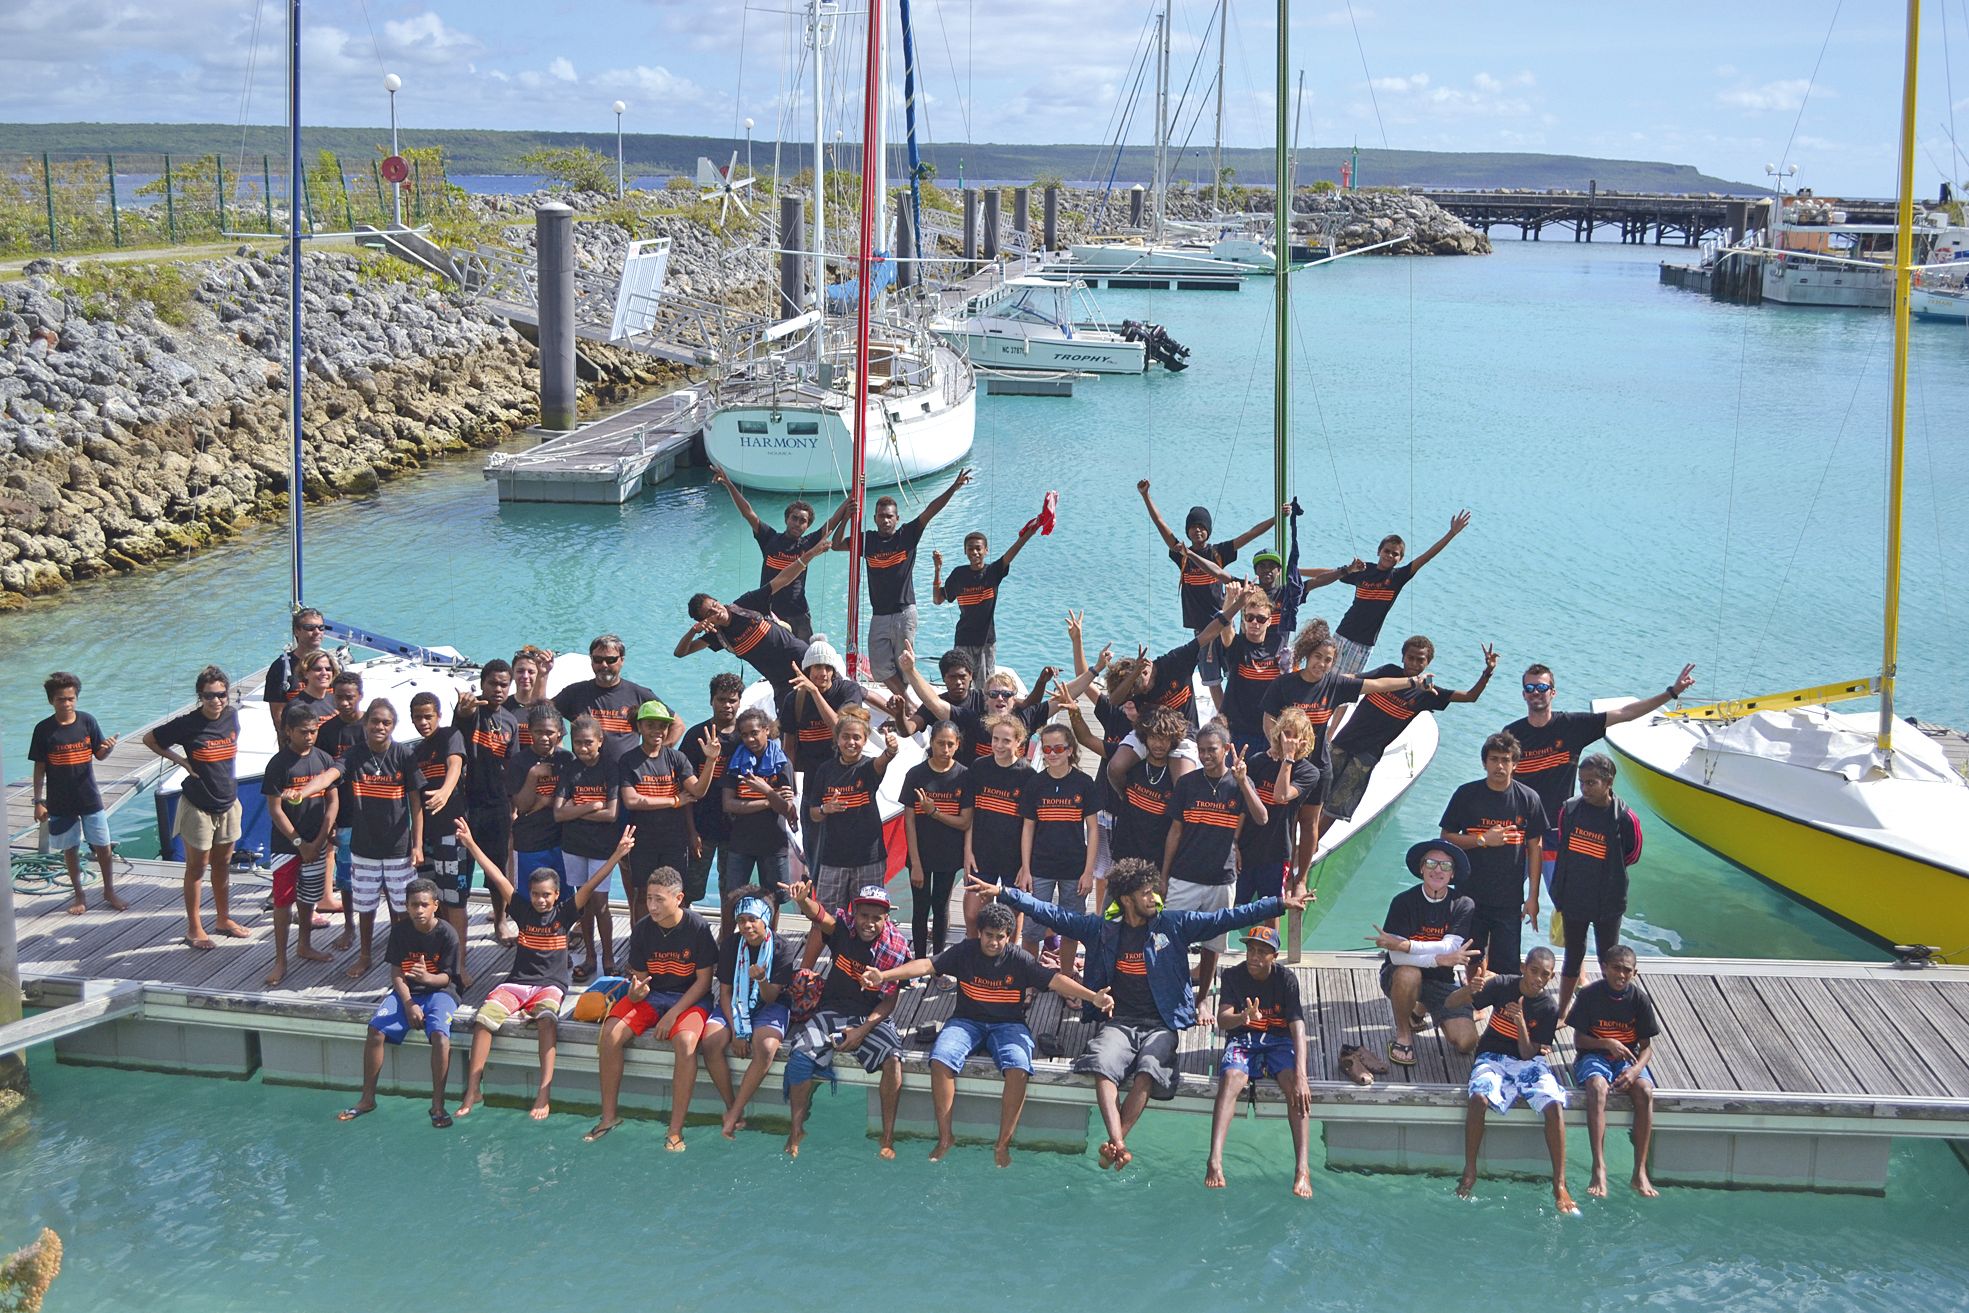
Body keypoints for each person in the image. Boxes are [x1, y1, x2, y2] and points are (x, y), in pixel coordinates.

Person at [975, 857, 1308, 1170]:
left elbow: (1227, 918)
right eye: (1146, 892)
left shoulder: (1174, 925)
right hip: (1119, 1021)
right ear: (1127, 899)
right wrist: (1006, 893)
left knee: (1149, 1069)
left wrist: (1278, 904)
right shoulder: (1102, 930)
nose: (1154, 897)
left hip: (1161, 1024)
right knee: (1103, 1065)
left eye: (1154, 890)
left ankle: (1114, 1142)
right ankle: (1118, 1142)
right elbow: (1053, 915)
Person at [864, 901, 1114, 1165]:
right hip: (966, 1022)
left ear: (1008, 937)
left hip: (1009, 1025)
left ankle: (1002, 1144)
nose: (993, 942)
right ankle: (945, 1137)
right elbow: (926, 965)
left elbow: (1055, 981)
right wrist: (885, 975)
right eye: (988, 936)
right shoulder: (965, 951)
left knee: (1019, 1067)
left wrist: (1091, 997)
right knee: (940, 1060)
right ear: (979, 933)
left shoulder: (1019, 959)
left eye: (1000, 937)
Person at [451, 820, 633, 1121]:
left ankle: (543, 1091)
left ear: (557, 893)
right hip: (518, 983)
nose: (540, 900)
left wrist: (616, 854)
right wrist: (471, 844)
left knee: (547, 1021)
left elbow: (591, 884)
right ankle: (473, 1089)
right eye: (536, 894)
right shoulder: (522, 910)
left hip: (550, 985)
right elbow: (497, 876)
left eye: (546, 895)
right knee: (483, 1020)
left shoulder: (564, 912)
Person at [1505, 660, 1694, 883]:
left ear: (1553, 692)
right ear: (1523, 695)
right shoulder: (1512, 734)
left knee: (1564, 903)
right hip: (1520, 830)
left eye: (1542, 687)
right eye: (1530, 688)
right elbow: (1502, 782)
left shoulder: (1571, 726)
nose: (1536, 692)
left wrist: (1671, 692)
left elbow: (1626, 713)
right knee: (1506, 897)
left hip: (1557, 831)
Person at [1263, 621, 1423, 877]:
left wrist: (1412, 682)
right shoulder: (1285, 684)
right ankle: (1280, 867)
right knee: (1285, 818)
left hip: (1318, 765)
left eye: (1328, 660)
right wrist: (1276, 745)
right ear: (1307, 655)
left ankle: (1300, 877)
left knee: (1310, 821)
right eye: (1317, 657)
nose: (1322, 664)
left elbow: (1377, 685)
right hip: (1289, 762)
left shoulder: (1334, 684)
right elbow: (1269, 718)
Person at [582, 864, 720, 1148]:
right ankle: (609, 1117)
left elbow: (704, 983)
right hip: (653, 996)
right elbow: (640, 979)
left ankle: (674, 1129)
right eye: (649, 899)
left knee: (685, 1042)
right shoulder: (643, 929)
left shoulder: (697, 927)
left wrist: (673, 1014)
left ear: (678, 899)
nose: (653, 906)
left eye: (660, 899)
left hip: (690, 998)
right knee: (610, 1034)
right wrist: (634, 994)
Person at [780, 881, 913, 1159]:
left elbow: (888, 1002)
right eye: (864, 915)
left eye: (877, 918)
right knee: (800, 1056)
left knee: (893, 1060)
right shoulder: (843, 930)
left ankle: (887, 1137)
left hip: (871, 1017)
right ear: (855, 913)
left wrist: (862, 1032)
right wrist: (803, 901)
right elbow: (820, 916)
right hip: (833, 1009)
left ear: (886, 919)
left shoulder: (895, 947)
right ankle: (796, 1130)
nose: (869, 923)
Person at [1446, 946, 1577, 1214]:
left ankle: (1559, 1183)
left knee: (1554, 1104)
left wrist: (1520, 1022)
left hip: (1527, 1060)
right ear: (1523, 968)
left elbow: (1528, 1053)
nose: (1537, 978)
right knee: (1479, 1097)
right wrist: (1469, 989)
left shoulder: (1548, 1008)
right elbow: (1450, 1004)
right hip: (1492, 1056)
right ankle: (1470, 1170)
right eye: (1533, 970)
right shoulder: (1503, 984)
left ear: (1551, 979)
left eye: (1545, 975)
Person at [833, 465, 973, 701]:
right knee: (878, 667)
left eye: (890, 516)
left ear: (897, 518)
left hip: (904, 612)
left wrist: (954, 487)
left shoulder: (906, 535)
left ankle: (906, 707)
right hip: (879, 615)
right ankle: (908, 704)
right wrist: (846, 517)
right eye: (881, 516)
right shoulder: (866, 540)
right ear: (875, 518)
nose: (885, 520)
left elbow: (931, 510)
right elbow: (836, 544)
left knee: (904, 666)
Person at [1325, 638, 1494, 832]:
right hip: (1343, 742)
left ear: (1427, 663)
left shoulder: (1428, 693)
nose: (1414, 663)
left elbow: (1470, 697)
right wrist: (1327, 677)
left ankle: (1310, 845)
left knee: (1336, 807)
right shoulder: (1387, 673)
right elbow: (1354, 679)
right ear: (1403, 657)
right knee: (1316, 794)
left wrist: (1487, 672)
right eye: (1410, 658)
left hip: (1366, 756)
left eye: (1420, 660)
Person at [1135, 478, 1278, 706]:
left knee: (1235, 670)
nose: (1197, 530)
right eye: (1193, 527)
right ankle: (1224, 715)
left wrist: (1277, 518)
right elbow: (1161, 524)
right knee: (1211, 679)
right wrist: (1145, 496)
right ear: (1188, 532)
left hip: (1224, 624)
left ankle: (1237, 708)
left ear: (1208, 531)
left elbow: (1250, 534)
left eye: (1202, 527)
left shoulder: (1219, 552)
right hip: (1202, 630)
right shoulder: (1181, 554)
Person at [335, 877, 459, 1128]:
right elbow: (396, 973)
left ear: (435, 905)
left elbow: (449, 977)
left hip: (441, 992)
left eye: (424, 904)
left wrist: (427, 978)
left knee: (440, 1037)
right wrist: (408, 1002)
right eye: (414, 905)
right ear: (406, 906)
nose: (419, 910)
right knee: (375, 1029)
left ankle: (437, 1104)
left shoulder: (447, 933)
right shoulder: (401, 931)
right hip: (408, 992)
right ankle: (367, 1099)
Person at [1205, 925, 1314, 1198]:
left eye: (1262, 952)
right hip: (1244, 1040)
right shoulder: (1233, 975)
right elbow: (1221, 1020)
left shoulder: (1286, 980)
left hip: (1279, 1041)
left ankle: (1302, 1168)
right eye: (1250, 950)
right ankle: (1215, 1159)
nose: (1254, 957)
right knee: (1231, 1078)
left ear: (1274, 956)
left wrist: (1301, 1076)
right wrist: (1244, 1018)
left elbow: (1298, 1027)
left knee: (1295, 1090)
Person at [143, 665, 246, 951]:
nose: (216, 701)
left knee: (223, 865)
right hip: (198, 806)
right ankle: (194, 928)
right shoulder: (188, 723)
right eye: (209, 696)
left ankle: (224, 919)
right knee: (197, 868)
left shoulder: (232, 716)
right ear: (200, 697)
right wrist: (183, 763)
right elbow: (150, 739)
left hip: (228, 802)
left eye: (221, 695)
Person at [1160, 725, 1268, 995]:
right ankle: (1173, 991)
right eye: (1201, 750)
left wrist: (1243, 782)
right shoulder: (1187, 783)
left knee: (1213, 945)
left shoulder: (1239, 783)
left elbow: (1262, 817)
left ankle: (1203, 998)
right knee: (1169, 939)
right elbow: (1175, 831)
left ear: (1226, 749)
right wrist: (1164, 876)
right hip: (1184, 876)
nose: (1206, 755)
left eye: (1212, 749)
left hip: (1221, 879)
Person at [1298, 511, 1471, 674]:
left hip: (1364, 643)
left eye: (1395, 554)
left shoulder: (1398, 577)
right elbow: (1331, 573)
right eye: (1386, 551)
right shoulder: (1364, 570)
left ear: (1400, 559)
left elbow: (1425, 558)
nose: (1389, 556)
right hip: (1343, 633)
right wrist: (1297, 571)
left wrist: (1451, 534)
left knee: (1346, 687)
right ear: (1379, 551)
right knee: (1323, 674)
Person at [1438, 731, 1548, 974]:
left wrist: (1533, 898)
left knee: (1506, 963)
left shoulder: (1529, 799)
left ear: (1515, 764)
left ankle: (1501, 1009)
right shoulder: (1466, 794)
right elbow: (1446, 838)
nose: (1500, 765)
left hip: (1508, 898)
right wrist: (1482, 840)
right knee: (1472, 956)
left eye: (1506, 760)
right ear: (1484, 762)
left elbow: (1535, 848)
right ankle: (1475, 1003)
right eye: (1494, 759)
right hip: (1469, 892)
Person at [1369, 840, 1482, 1068]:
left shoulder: (1463, 904)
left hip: (1442, 981)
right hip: (1400, 976)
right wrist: (1437, 959)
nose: (1437, 870)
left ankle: (1419, 1010)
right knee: (1409, 973)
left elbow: (1452, 947)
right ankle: (1403, 1034)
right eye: (1431, 863)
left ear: (1453, 875)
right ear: (1421, 868)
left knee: (1466, 1043)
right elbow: (1397, 959)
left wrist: (1406, 946)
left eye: (1446, 866)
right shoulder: (1402, 902)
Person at [709, 464, 851, 641]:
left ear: (808, 526)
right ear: (786, 519)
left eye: (803, 521)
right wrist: (729, 484)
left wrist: (852, 497)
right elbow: (748, 512)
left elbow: (833, 521)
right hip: (770, 613)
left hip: (799, 614)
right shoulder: (769, 538)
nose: (797, 523)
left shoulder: (808, 544)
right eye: (794, 518)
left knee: (806, 659)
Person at [700, 888, 800, 1138]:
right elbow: (724, 991)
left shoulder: (781, 948)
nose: (746, 926)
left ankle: (734, 1112)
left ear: (765, 918)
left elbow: (771, 997)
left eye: (752, 919)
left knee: (765, 1047)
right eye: (741, 921)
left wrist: (763, 979)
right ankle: (730, 1105)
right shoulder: (732, 945)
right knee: (711, 1042)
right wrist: (737, 1030)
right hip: (735, 1002)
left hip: (770, 1004)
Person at [1551, 753, 1645, 1018]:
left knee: (1609, 958)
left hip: (1608, 903)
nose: (1585, 788)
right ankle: (1562, 1013)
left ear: (1609, 782)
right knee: (1573, 955)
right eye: (1582, 782)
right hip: (1574, 898)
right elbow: (1564, 849)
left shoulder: (1625, 818)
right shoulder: (1569, 809)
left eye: (1591, 783)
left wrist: (1605, 873)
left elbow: (1632, 855)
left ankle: (1605, 1014)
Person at [1567, 944, 1661, 1198]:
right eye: (1616, 968)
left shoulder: (1639, 999)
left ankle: (1639, 1171)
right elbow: (1579, 1041)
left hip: (1626, 1059)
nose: (1621, 975)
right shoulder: (1589, 995)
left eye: (1627, 971)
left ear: (1635, 973)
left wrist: (1635, 1070)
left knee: (1644, 1090)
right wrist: (1606, 1043)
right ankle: (1599, 1167)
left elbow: (1646, 1047)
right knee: (1597, 1087)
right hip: (1593, 1054)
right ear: (1604, 968)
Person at [340, 698, 425, 979]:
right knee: (365, 906)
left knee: (401, 907)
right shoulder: (355, 755)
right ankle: (365, 955)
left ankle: (400, 957)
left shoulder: (404, 755)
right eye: (375, 721)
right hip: (364, 847)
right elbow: (332, 773)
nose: (380, 726)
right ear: (366, 724)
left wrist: (417, 844)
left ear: (393, 726)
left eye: (386, 722)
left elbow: (416, 804)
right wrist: (303, 792)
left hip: (398, 848)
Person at [28, 671, 123, 915]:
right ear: (52, 701)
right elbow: (39, 768)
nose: (67, 703)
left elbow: (99, 754)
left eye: (71, 698)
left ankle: (109, 890)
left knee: (103, 845)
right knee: (70, 848)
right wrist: (39, 801)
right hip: (60, 801)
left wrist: (108, 748)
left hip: (89, 797)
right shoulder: (43, 730)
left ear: (76, 698)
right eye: (61, 699)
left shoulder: (87, 722)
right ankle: (79, 893)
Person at [260, 700, 340, 986]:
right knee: (283, 902)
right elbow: (275, 809)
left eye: (313, 731)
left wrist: (319, 839)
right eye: (304, 731)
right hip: (286, 847)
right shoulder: (278, 764)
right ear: (289, 731)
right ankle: (280, 959)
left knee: (308, 898)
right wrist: (298, 842)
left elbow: (333, 800)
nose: (310, 736)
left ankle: (304, 945)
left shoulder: (324, 759)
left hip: (317, 844)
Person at [620, 700, 724, 909]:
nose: (657, 731)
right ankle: (641, 940)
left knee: (675, 892)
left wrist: (711, 761)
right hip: (642, 841)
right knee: (643, 895)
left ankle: (674, 939)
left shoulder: (677, 758)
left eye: (662, 725)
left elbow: (697, 791)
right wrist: (674, 801)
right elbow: (632, 801)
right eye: (651, 725)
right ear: (639, 727)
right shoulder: (628, 760)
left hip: (674, 841)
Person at [1019, 723, 1099, 973]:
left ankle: (1065, 978)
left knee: (1070, 929)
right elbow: (1028, 827)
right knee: (1032, 930)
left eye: (1058, 748)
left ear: (1070, 750)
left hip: (1074, 869)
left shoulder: (1084, 783)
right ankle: (1031, 980)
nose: (1052, 753)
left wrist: (1089, 872)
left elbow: (1094, 830)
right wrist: (1025, 868)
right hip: (1040, 867)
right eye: (1047, 748)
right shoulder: (1035, 783)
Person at [452, 659, 520, 945]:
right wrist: (462, 710)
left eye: (504, 684)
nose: (498, 689)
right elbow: (460, 722)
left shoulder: (510, 721)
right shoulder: (472, 713)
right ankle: (456, 921)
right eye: (492, 683)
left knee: (497, 866)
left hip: (497, 805)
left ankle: (500, 921)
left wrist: (514, 805)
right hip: (467, 802)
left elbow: (513, 764)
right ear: (482, 684)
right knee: (461, 866)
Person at [804, 707, 900, 912]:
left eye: (857, 737)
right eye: (845, 737)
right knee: (827, 916)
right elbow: (813, 813)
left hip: (869, 859)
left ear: (865, 740)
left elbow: (885, 760)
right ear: (837, 739)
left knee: (867, 914)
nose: (851, 742)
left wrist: (891, 750)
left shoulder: (869, 768)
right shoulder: (825, 770)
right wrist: (825, 808)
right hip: (832, 859)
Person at [554, 713, 623, 981]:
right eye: (577, 743)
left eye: (588, 743)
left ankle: (608, 956)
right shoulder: (570, 769)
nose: (583, 748)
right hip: (573, 846)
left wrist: (576, 810)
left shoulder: (610, 768)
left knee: (601, 903)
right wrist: (592, 806)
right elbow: (558, 814)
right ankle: (590, 957)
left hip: (602, 847)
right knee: (581, 904)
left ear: (600, 741)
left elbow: (612, 814)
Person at [409, 691, 470, 987]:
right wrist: (417, 844)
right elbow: (416, 803)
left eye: (428, 716)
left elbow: (455, 764)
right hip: (428, 837)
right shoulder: (414, 754)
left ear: (438, 716)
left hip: (452, 832)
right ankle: (439, 960)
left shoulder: (450, 735)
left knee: (455, 900)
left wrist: (446, 791)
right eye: (418, 717)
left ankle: (459, 966)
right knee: (435, 901)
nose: (423, 722)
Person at [931, 519, 1041, 682]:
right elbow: (938, 599)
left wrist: (1028, 534)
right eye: (970, 549)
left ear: (986, 550)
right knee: (961, 684)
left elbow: (1013, 551)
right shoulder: (958, 575)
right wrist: (937, 569)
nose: (974, 552)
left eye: (978, 548)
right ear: (965, 551)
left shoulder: (993, 572)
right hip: (963, 639)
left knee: (985, 689)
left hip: (986, 642)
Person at [1234, 709, 1317, 912]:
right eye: (1285, 734)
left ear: (1304, 740)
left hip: (1276, 852)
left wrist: (1288, 759)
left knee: (1272, 908)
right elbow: (1242, 808)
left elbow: (1280, 795)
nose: (1289, 740)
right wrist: (1233, 843)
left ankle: (1269, 944)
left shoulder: (1308, 772)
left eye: (1294, 736)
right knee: (1233, 905)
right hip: (1246, 847)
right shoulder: (1258, 762)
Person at [901, 720, 971, 958]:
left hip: (948, 856)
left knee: (940, 908)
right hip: (920, 854)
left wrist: (934, 812)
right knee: (920, 909)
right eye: (940, 743)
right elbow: (909, 821)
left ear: (958, 745)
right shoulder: (916, 775)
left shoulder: (964, 776)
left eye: (950, 744)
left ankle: (938, 962)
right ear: (931, 743)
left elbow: (965, 822)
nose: (945, 749)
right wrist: (916, 864)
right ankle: (919, 960)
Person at [961, 713, 1034, 938]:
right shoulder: (979, 767)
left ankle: (1011, 958)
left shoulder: (1028, 774)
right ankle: (973, 959)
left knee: (1013, 913)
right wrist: (968, 851)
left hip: (1013, 856)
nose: (999, 745)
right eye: (995, 739)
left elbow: (1029, 826)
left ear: (1018, 742)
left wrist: (1025, 865)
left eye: (1006, 740)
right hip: (982, 852)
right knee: (974, 914)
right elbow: (970, 815)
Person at [719, 707, 799, 894]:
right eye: (745, 735)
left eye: (754, 733)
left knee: (775, 897)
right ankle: (728, 925)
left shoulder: (782, 763)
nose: (750, 739)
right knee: (733, 896)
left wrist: (766, 790)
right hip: (741, 841)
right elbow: (728, 804)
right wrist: (769, 801)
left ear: (767, 730)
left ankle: (772, 926)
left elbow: (788, 809)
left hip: (774, 842)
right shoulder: (735, 763)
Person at [682, 672, 744, 906]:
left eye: (732, 700)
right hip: (701, 828)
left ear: (739, 702)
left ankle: (725, 939)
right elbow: (685, 789)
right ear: (711, 701)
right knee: (688, 890)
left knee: (730, 892)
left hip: (735, 830)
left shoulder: (746, 737)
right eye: (721, 699)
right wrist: (690, 831)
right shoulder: (695, 736)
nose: (727, 705)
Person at [1106, 707, 1188, 879]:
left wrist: (1165, 875)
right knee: (1112, 905)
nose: (1158, 744)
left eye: (1164, 739)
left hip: (1155, 864)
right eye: (1153, 737)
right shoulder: (1132, 767)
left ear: (1173, 741)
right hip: (1124, 857)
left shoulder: (1175, 780)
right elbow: (1088, 740)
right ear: (1144, 738)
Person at [314, 669, 367, 935]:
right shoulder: (327, 731)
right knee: (345, 879)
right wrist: (330, 821)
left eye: (350, 698)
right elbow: (324, 777)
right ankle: (349, 926)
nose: (345, 703)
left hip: (372, 812)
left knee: (376, 877)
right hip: (344, 814)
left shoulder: (373, 725)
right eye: (340, 698)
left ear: (360, 696)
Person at [508, 705, 571, 918]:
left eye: (550, 732)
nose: (544, 737)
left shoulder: (567, 760)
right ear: (529, 732)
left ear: (560, 733)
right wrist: (533, 775)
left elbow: (573, 799)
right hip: (529, 842)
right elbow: (522, 806)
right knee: (529, 897)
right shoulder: (519, 762)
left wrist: (545, 801)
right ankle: (530, 937)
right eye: (539, 732)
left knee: (563, 896)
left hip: (562, 841)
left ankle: (559, 937)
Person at [552, 635, 656, 763]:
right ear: (591, 659)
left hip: (625, 776)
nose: (604, 665)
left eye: (611, 660)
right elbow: (541, 714)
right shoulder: (574, 693)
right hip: (583, 776)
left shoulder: (639, 694)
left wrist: (652, 759)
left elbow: (676, 725)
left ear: (622, 660)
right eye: (598, 659)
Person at [1218, 585, 1287, 757]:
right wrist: (1230, 600)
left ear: (1270, 621)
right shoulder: (1238, 646)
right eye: (1250, 617)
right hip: (1237, 730)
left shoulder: (1278, 646)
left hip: (1268, 731)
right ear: (1244, 620)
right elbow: (1225, 628)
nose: (1255, 623)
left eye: (1261, 619)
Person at [264, 606, 329, 733]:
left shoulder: (333, 665)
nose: (317, 632)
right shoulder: (280, 668)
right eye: (310, 628)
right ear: (297, 631)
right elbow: (279, 719)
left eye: (321, 628)